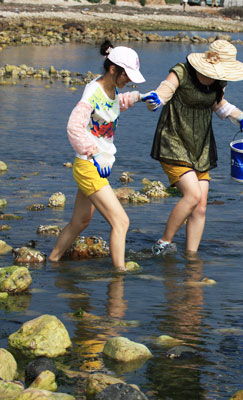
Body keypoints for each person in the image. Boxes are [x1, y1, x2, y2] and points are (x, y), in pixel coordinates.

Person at [141, 40, 243, 256]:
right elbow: (164, 91)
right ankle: (163, 244)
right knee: (192, 195)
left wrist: (240, 117)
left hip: (201, 143)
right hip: (174, 139)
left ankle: (191, 258)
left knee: (201, 205)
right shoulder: (182, 72)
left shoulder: (219, 82)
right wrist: (155, 100)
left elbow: (218, 104)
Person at [48, 41, 146, 272]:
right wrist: (92, 154)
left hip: (98, 165)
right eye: (126, 75)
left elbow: (110, 107)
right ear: (113, 69)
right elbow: (74, 126)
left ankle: (52, 260)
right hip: (90, 165)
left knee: (80, 221)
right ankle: (119, 277)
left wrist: (139, 97)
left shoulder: (112, 89)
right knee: (121, 221)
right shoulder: (92, 92)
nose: (129, 80)